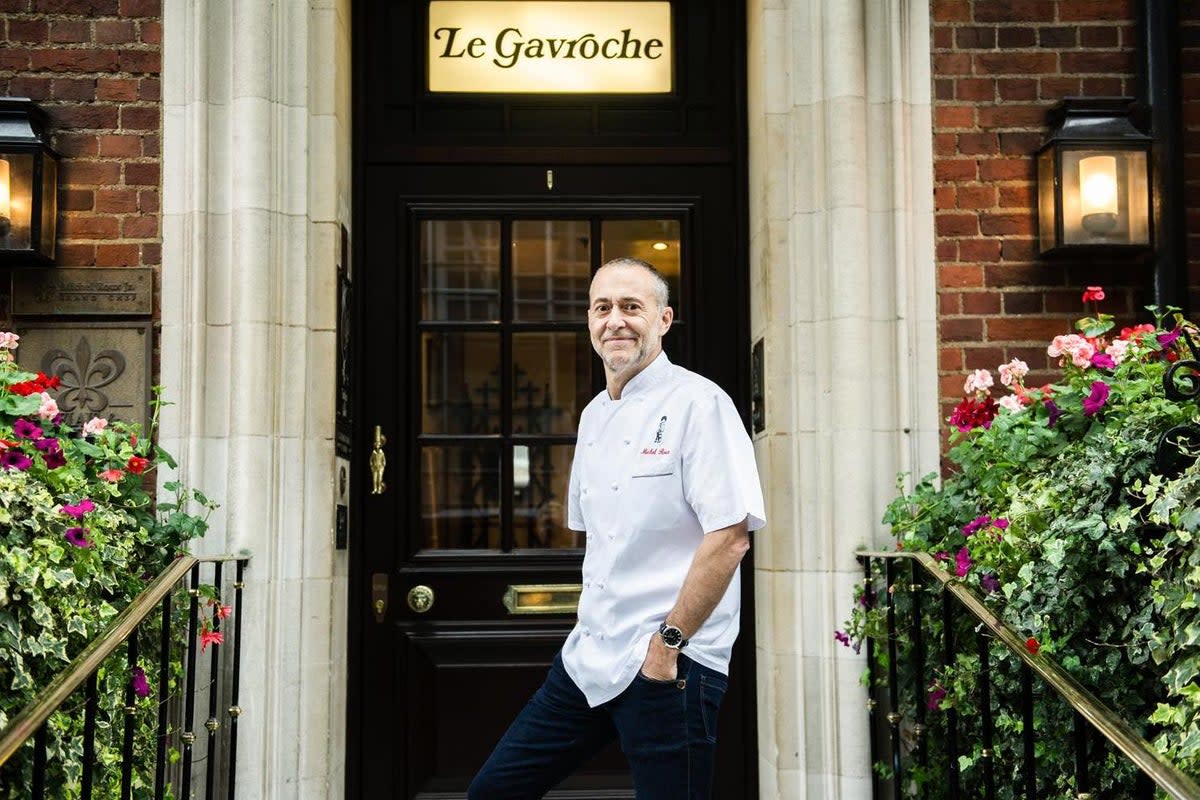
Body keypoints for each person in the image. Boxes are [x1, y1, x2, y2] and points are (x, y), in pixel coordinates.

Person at [468, 257, 766, 800]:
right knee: (493, 792)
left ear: (664, 319)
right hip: (588, 659)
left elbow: (730, 538)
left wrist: (668, 643)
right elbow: (601, 543)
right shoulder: (591, 417)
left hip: (667, 665)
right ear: (589, 320)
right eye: (603, 307)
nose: (616, 321)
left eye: (632, 306)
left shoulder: (701, 404)